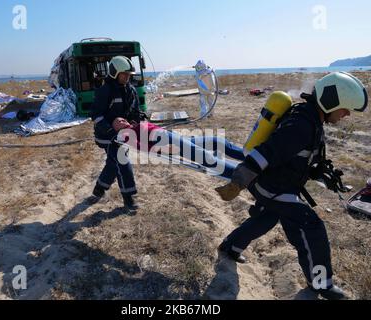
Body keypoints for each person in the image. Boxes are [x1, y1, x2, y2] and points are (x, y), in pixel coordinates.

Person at [215, 72, 368, 300]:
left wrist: (323, 173)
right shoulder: (302, 124)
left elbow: (301, 156)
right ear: (331, 101)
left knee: (266, 218)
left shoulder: (310, 118)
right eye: (345, 108)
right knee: (311, 227)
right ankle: (321, 284)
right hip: (274, 187)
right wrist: (239, 181)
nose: (346, 115)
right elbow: (269, 152)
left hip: (276, 183)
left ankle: (230, 247)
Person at [89, 56, 147, 211]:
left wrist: (136, 121)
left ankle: (99, 188)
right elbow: (96, 116)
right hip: (106, 136)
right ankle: (129, 198)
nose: (127, 77)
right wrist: (111, 128)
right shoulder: (104, 91)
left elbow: (135, 111)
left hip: (124, 134)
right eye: (124, 74)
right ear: (114, 73)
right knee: (122, 161)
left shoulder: (131, 90)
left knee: (113, 163)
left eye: (129, 75)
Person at [115, 119, 245, 180]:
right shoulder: (125, 134)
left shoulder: (134, 125)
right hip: (166, 141)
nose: (122, 120)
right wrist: (161, 149)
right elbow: (141, 146)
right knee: (206, 158)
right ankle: (244, 176)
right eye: (118, 122)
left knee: (217, 141)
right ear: (117, 128)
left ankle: (250, 157)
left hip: (174, 136)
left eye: (122, 118)